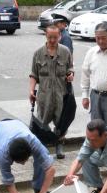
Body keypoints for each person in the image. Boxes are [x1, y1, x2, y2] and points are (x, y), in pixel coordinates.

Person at [29, 25, 74, 159]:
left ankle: (59, 146)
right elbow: (33, 75)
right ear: (46, 36)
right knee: (42, 123)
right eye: (50, 37)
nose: (53, 40)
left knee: (61, 123)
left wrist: (71, 74)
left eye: (55, 37)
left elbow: (70, 69)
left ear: (60, 36)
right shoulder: (38, 53)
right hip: (44, 96)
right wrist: (31, 90)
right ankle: (42, 147)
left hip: (62, 95)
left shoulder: (66, 52)